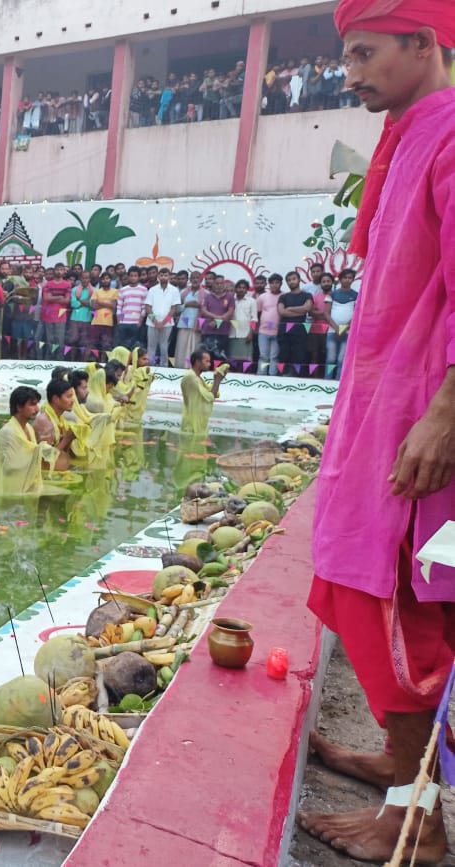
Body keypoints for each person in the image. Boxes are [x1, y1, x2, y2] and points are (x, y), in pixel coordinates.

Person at [300, 6, 455, 863]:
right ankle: (408, 772)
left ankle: (415, 819)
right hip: (385, 408)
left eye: (364, 53)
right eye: (347, 55)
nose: (350, 71)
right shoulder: (410, 138)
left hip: (422, 417)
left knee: (396, 605)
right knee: (364, 589)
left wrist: (445, 413)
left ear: (423, 44)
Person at [0, 386, 67, 496]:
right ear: (19, 407)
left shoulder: (29, 428)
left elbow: (33, 454)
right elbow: (9, 468)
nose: (37, 409)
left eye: (37, 404)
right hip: (10, 493)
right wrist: (37, 452)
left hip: (27, 490)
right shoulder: (8, 432)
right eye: (32, 404)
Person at [180, 348, 226, 438]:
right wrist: (217, 380)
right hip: (191, 426)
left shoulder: (198, 378)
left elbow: (213, 393)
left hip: (198, 425)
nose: (209, 364)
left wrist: (218, 378)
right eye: (207, 361)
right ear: (198, 362)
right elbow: (210, 397)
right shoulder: (191, 377)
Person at [324, 267, 358, 380]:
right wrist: (337, 329)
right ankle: (327, 382)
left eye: (350, 278)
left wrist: (344, 328)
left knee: (341, 359)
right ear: (340, 279)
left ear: (353, 280)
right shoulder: (331, 294)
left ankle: (338, 384)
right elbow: (326, 313)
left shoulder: (357, 295)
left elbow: (357, 315)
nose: (347, 280)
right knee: (330, 358)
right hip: (332, 331)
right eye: (345, 278)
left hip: (348, 333)